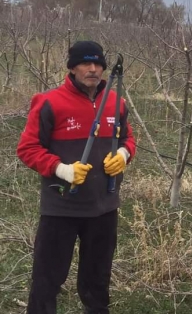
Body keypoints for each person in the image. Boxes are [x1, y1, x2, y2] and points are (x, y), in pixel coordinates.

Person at [16, 40, 136, 314]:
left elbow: (128, 139)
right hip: (61, 208)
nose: (93, 69)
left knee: (97, 281)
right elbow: (27, 148)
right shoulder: (48, 102)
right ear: (72, 68)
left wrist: (124, 156)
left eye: (98, 64)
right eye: (85, 63)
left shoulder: (117, 104)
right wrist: (62, 169)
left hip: (104, 207)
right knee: (47, 280)